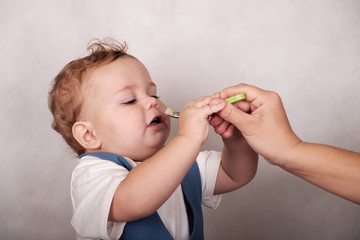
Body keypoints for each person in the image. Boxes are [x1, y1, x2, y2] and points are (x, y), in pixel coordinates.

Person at [48, 39, 258, 240]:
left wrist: (238, 136)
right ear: (89, 135)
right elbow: (133, 200)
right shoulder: (92, 175)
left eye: (154, 95)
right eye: (130, 100)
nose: (151, 102)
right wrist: (186, 138)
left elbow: (235, 174)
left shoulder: (182, 161)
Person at [209, 83, 360, 204]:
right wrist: (187, 136)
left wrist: (238, 138)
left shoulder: (192, 166)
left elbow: (232, 175)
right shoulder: (185, 153)